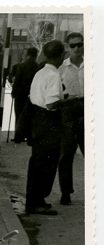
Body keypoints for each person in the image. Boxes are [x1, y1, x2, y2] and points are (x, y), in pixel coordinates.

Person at [25, 40, 72, 215]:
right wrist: (67, 100)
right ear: (61, 56)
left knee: (37, 161)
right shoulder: (53, 75)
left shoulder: (40, 72)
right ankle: (37, 201)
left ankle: (34, 199)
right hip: (49, 121)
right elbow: (52, 104)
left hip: (37, 118)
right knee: (47, 162)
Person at [57, 32, 84, 205]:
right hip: (68, 111)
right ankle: (65, 192)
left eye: (79, 44)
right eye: (73, 45)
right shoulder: (61, 68)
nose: (77, 48)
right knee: (66, 154)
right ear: (67, 47)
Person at [11, 47, 40, 143]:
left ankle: (18, 136)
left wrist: (13, 92)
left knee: (19, 114)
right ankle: (30, 136)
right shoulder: (38, 66)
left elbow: (17, 80)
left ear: (28, 54)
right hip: (32, 94)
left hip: (20, 94)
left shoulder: (22, 66)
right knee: (31, 115)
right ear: (36, 55)